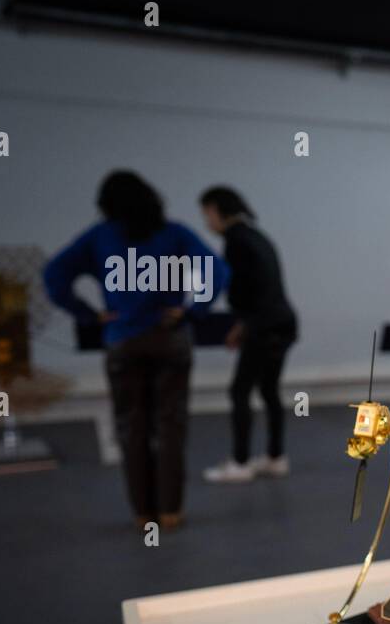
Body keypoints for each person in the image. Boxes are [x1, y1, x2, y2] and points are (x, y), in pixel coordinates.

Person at [45, 171, 229, 531]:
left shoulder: (100, 237)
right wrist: (195, 310)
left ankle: (143, 514)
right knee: (171, 427)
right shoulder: (174, 233)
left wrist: (89, 314)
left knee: (132, 430)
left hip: (123, 342)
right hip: (170, 341)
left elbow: (54, 275)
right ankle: (171, 512)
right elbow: (217, 270)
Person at [197, 187, 299, 483]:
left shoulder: (235, 241)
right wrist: (243, 326)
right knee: (268, 390)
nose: (207, 222)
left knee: (240, 391)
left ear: (218, 210)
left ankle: (240, 463)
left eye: (207, 215)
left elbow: (243, 292)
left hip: (264, 326)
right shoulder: (257, 236)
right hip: (283, 323)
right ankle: (275, 457)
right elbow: (264, 289)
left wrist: (242, 325)